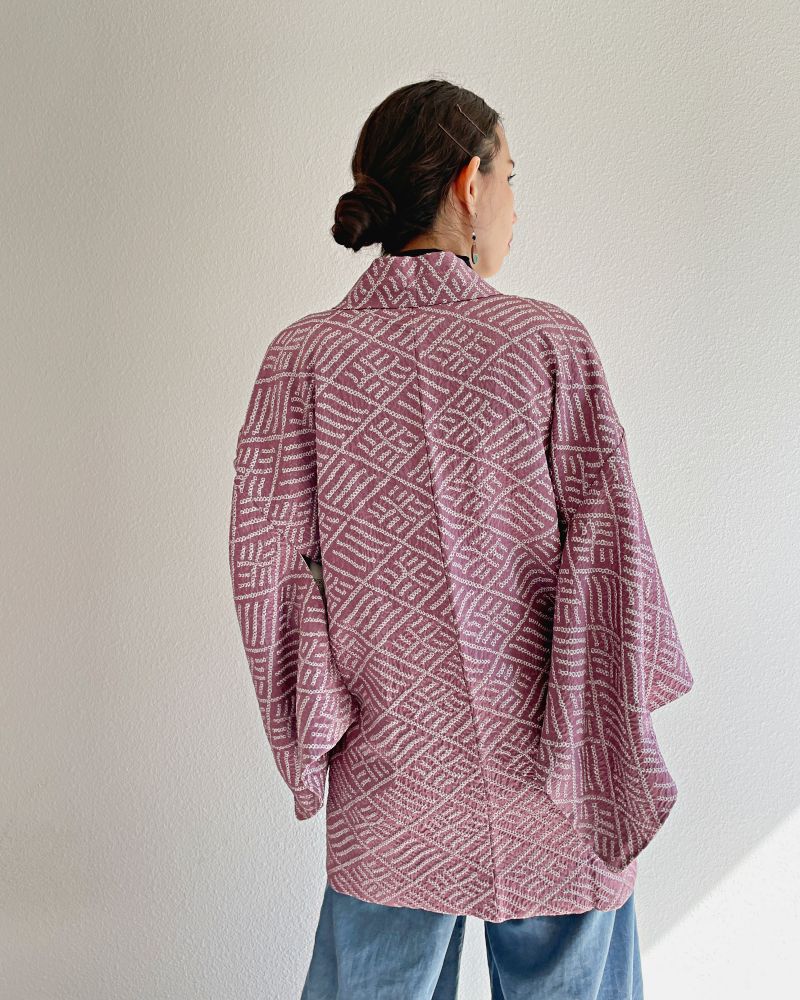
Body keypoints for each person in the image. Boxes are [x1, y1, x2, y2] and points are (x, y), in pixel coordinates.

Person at [228, 78, 693, 999]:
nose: (516, 204)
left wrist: (326, 722)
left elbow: (267, 572)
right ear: (469, 185)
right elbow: (612, 562)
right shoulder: (547, 344)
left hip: (391, 777)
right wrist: (600, 737)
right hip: (558, 767)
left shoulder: (302, 360)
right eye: (511, 177)